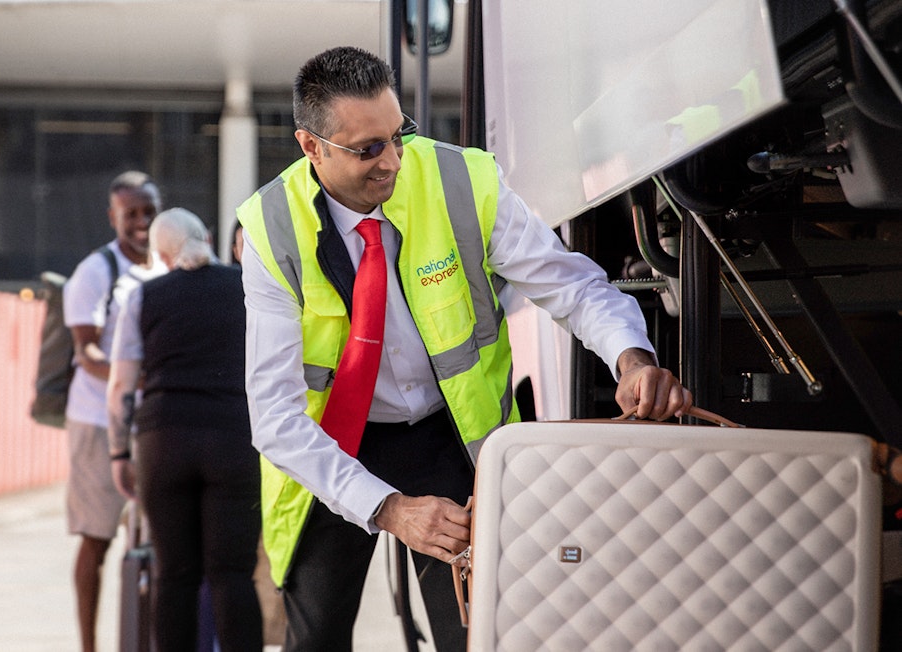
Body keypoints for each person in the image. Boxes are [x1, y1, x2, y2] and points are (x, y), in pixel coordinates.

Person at [236, 46, 694, 651]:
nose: (393, 162)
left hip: (446, 435)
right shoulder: (271, 230)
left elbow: (571, 285)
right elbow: (274, 418)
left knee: (477, 633)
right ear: (310, 146)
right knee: (316, 636)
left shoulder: (459, 179)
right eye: (368, 148)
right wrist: (389, 508)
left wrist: (631, 356)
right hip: (332, 444)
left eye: (399, 135)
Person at [107, 208, 263, 652]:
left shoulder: (144, 297)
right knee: (232, 573)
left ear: (160, 253)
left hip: (163, 442)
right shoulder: (246, 290)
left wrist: (120, 454)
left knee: (174, 574)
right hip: (233, 439)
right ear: (209, 237)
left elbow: (121, 385)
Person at [63, 170, 161, 652]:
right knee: (97, 540)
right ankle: (88, 645)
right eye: (131, 214)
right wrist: (141, 378)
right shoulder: (95, 271)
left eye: (149, 211)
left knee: (153, 541)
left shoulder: (163, 268)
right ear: (113, 216)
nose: (142, 223)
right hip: (99, 423)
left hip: (153, 425)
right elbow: (87, 353)